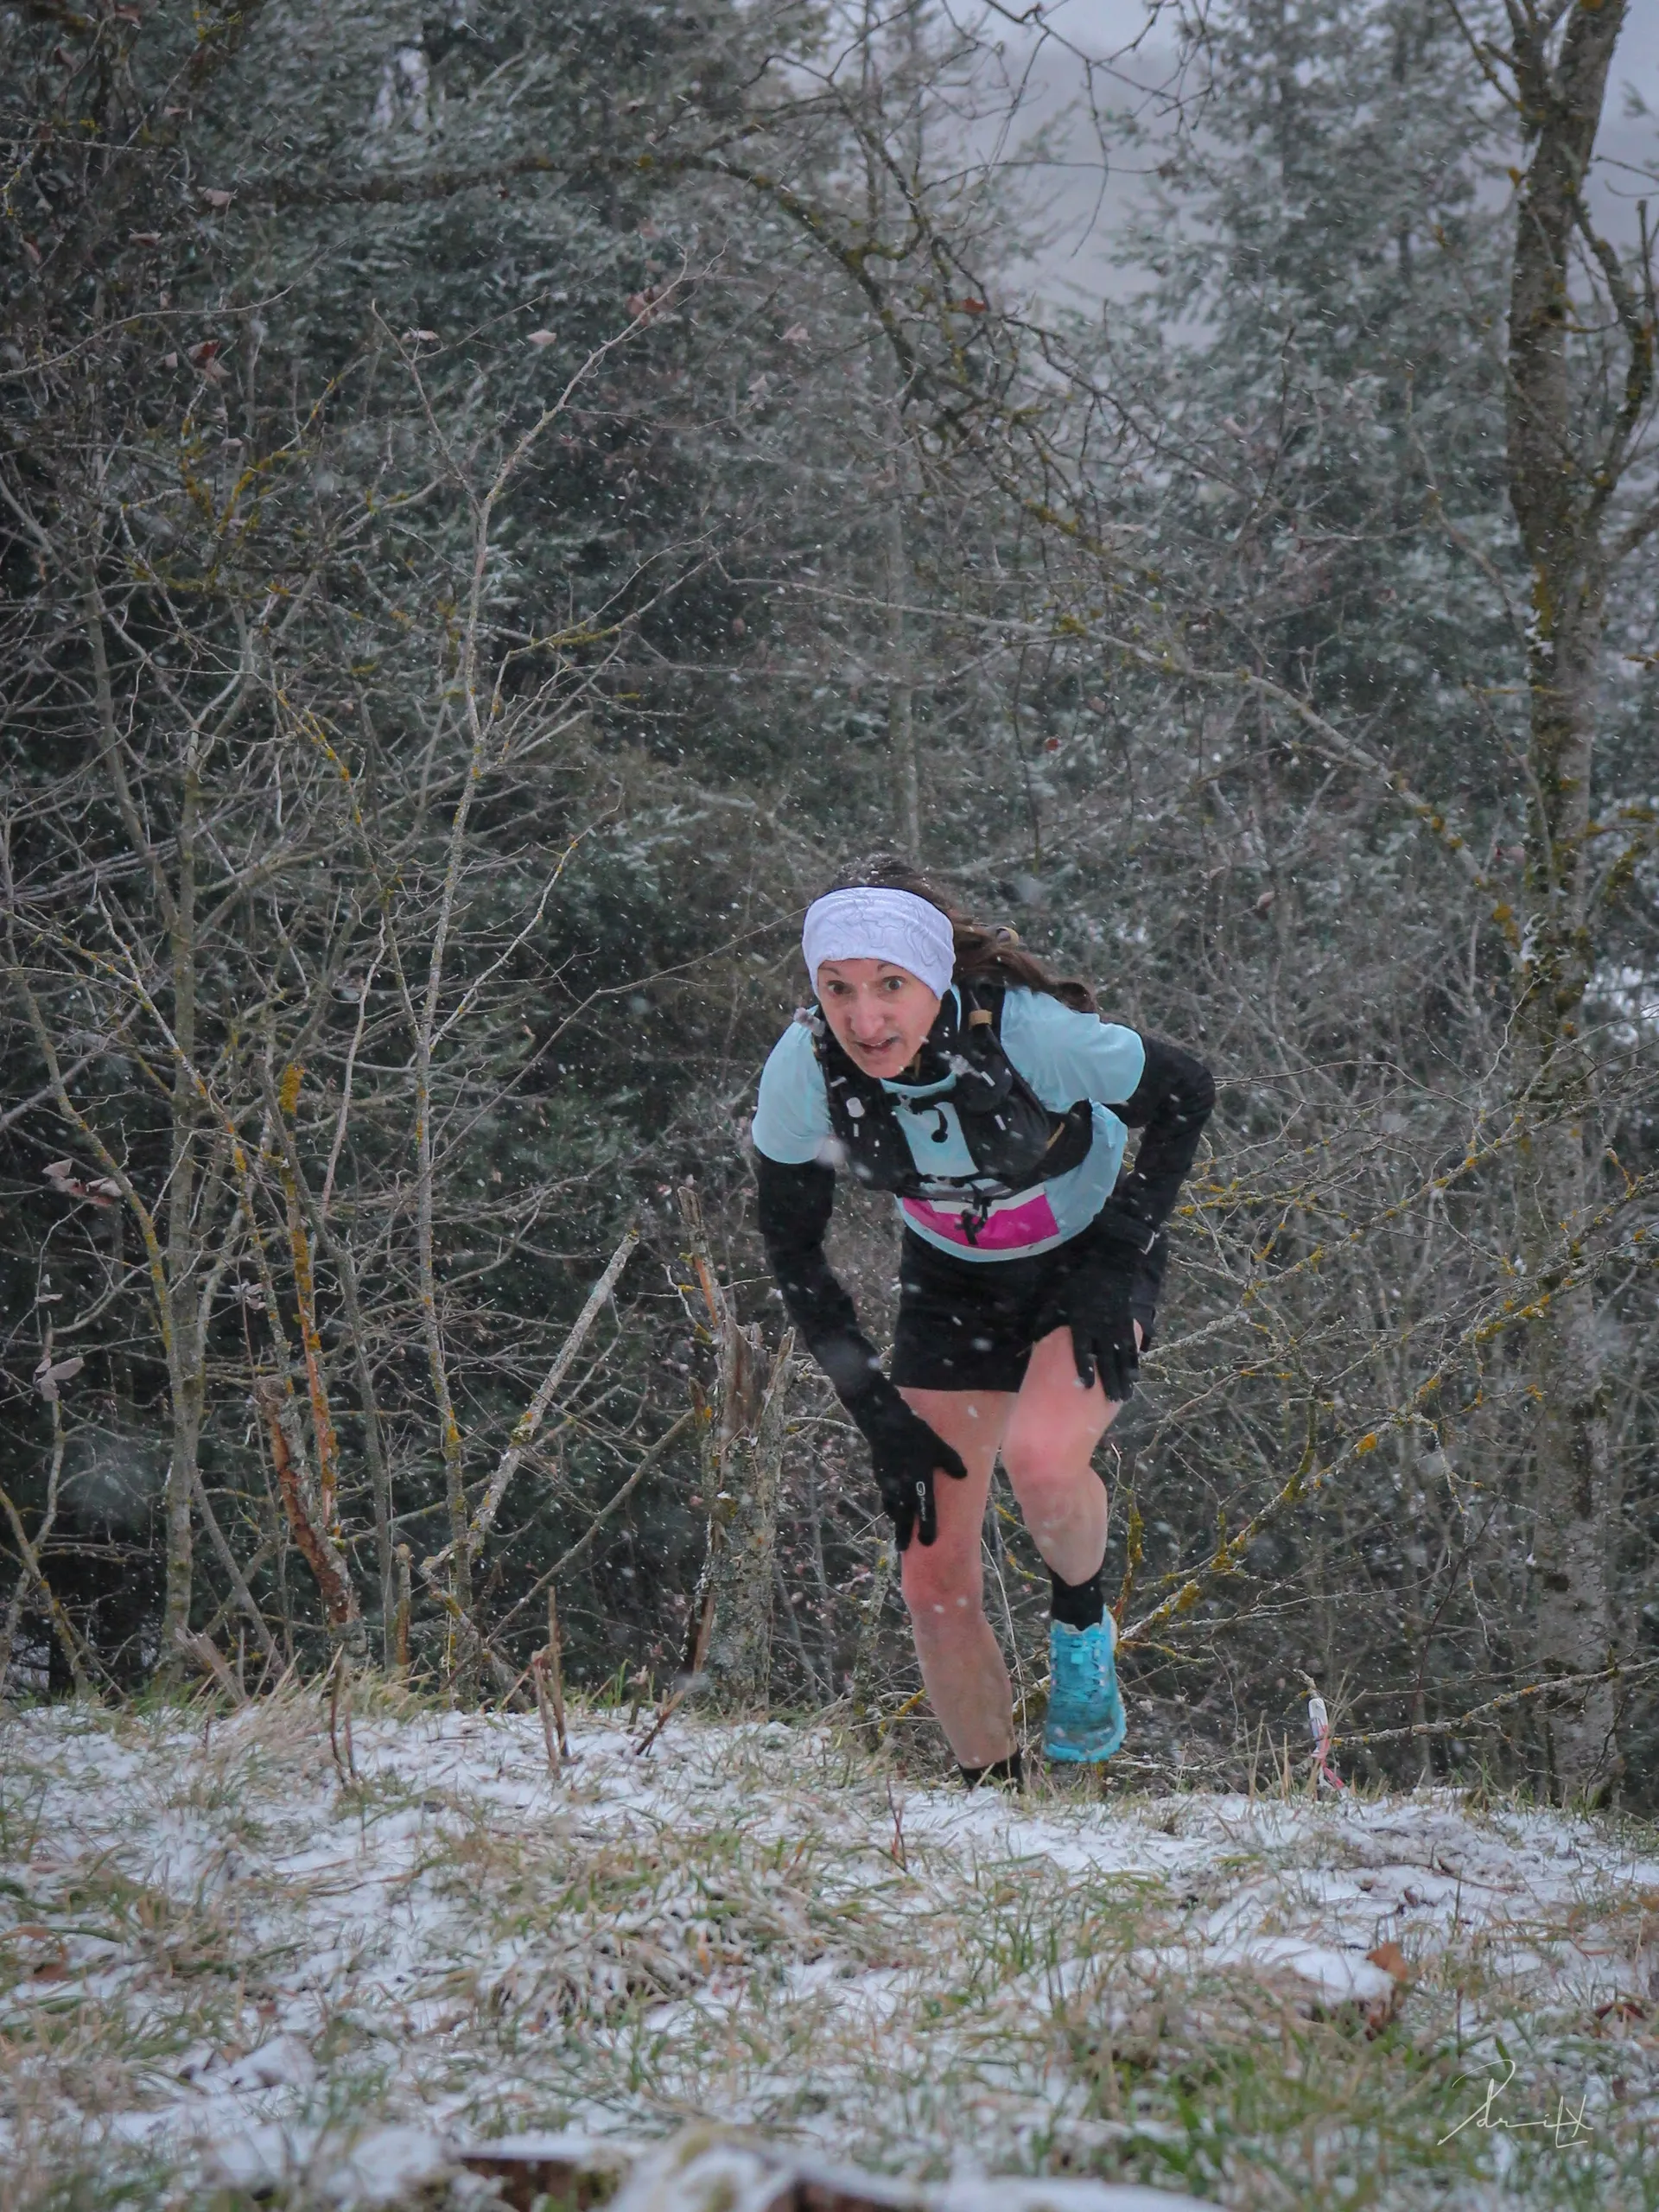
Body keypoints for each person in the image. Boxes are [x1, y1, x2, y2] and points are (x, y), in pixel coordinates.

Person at [751, 859, 1214, 1784]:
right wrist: (875, 1408)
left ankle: (1081, 1621)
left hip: (1087, 1257)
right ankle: (995, 1803)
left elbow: (1185, 1090)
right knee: (929, 1571)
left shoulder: (1030, 1031)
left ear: (937, 979)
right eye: (838, 989)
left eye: (891, 986)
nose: (866, 1018)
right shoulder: (805, 1068)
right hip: (953, 1280)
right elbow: (794, 1251)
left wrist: (1120, 1254)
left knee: (1041, 1458)